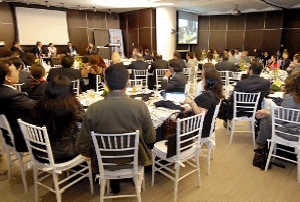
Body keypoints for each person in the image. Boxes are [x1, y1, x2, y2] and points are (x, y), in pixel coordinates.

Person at [76, 65, 156, 193]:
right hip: (134, 160)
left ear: (106, 83)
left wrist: (97, 153)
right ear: (128, 83)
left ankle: (114, 182)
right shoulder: (140, 106)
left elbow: (82, 146)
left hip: (105, 162)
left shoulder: (93, 109)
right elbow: (151, 138)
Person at [31, 75, 84, 163]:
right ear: (69, 91)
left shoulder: (39, 105)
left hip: (40, 153)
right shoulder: (67, 109)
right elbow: (83, 116)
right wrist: (75, 101)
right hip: (63, 155)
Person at [255, 69, 300, 148]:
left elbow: (280, 120)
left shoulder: (291, 97)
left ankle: (261, 146)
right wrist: (268, 111)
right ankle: (262, 144)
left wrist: (267, 113)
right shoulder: (295, 97)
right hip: (296, 127)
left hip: (291, 132)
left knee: (266, 120)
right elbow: (287, 113)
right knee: (267, 117)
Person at [0, 59, 36, 152]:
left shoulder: (3, 91)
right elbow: (37, 108)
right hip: (23, 137)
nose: (18, 73)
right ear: (8, 78)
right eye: (15, 71)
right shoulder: (14, 96)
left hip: (9, 133)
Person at [184, 70, 222, 138]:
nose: (202, 80)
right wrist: (191, 108)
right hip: (207, 126)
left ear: (208, 81)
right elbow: (204, 108)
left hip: (200, 129)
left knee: (170, 122)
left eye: (204, 78)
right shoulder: (214, 93)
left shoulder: (208, 96)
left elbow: (201, 115)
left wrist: (191, 102)